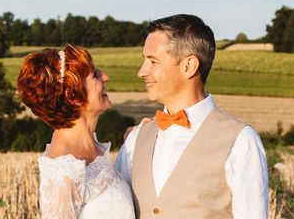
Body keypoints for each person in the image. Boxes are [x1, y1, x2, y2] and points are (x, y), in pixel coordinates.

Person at [115, 14, 269, 218]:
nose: (142, 71)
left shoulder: (241, 141)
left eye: (153, 61)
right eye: (144, 60)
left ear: (189, 66)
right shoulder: (136, 139)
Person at [17, 44, 135, 219]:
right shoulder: (64, 172)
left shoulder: (95, 149)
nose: (105, 77)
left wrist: (135, 143)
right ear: (73, 96)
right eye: (95, 75)